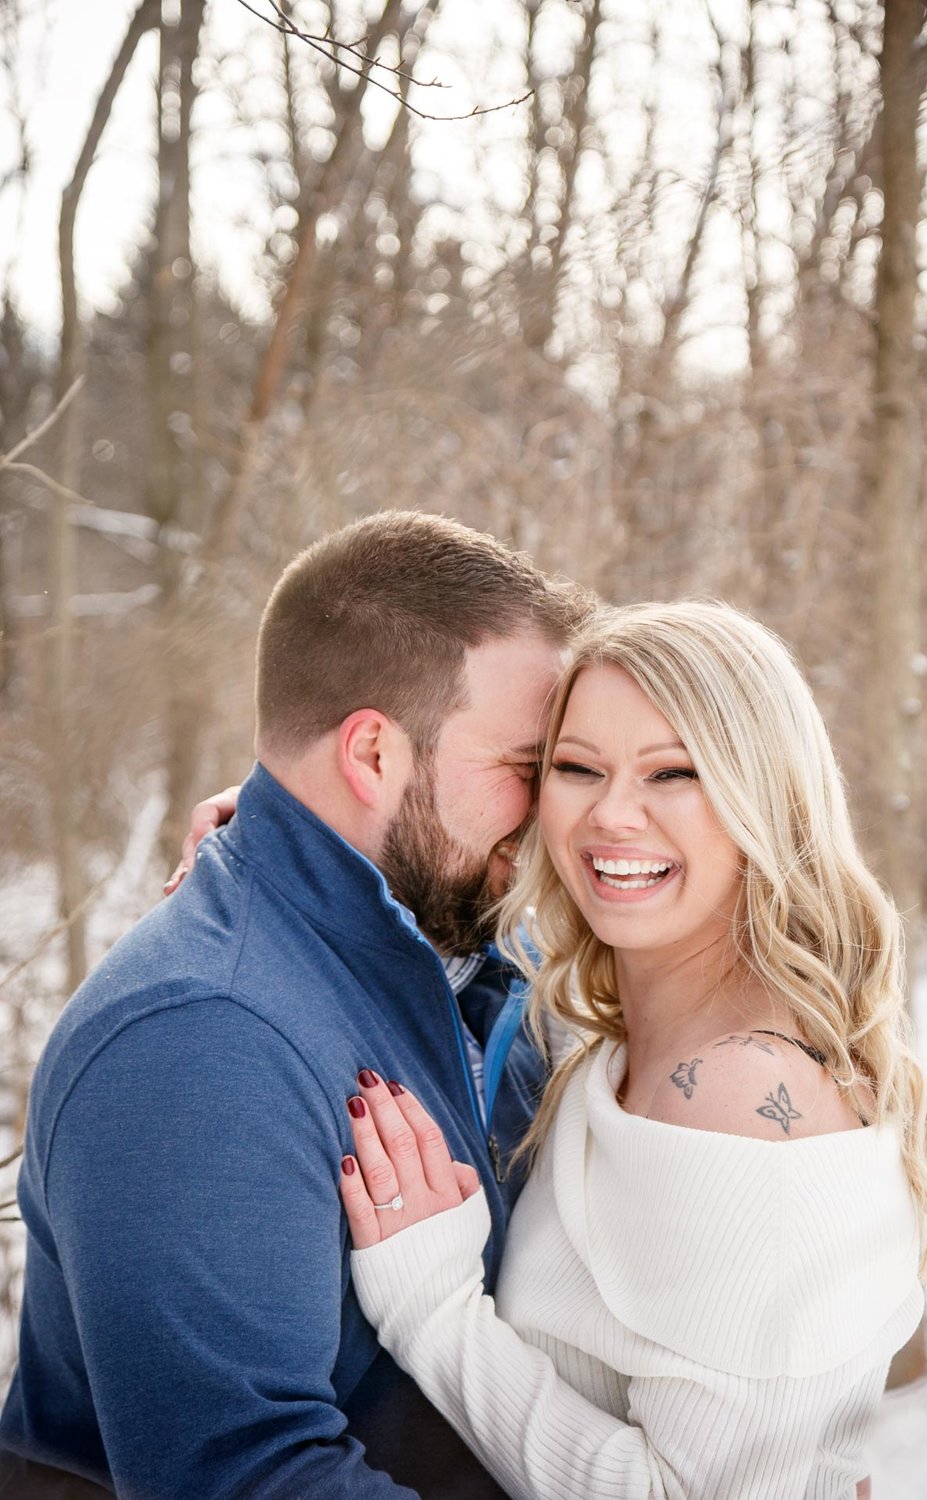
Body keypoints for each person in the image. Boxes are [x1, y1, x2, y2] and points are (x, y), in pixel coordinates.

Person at [0, 511, 590, 1499]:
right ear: (371, 757)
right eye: (528, 770)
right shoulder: (200, 1042)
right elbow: (251, 1477)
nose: (557, 813)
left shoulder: (468, 942)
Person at [334, 601, 927, 1500]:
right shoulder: (622, 1036)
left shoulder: (745, 1096)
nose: (613, 816)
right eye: (578, 767)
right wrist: (310, 835)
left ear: (766, 798)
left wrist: (431, 1311)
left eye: (673, 773)